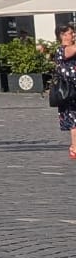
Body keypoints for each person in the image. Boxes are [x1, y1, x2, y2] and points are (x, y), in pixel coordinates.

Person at [51, 26, 76, 160]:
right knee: (74, 119)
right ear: (63, 36)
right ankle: (74, 148)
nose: (73, 35)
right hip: (69, 90)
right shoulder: (62, 50)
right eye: (70, 33)